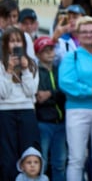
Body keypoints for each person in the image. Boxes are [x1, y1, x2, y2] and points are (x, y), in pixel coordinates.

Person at [58, 16, 92, 181]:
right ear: (78, 34)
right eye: (84, 32)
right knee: (76, 158)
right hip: (77, 110)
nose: (88, 35)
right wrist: (90, 91)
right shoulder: (71, 57)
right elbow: (66, 83)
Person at [0, 26, 40, 181]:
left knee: (30, 153)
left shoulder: (31, 64)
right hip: (4, 112)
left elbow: (31, 91)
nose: (16, 45)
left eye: (19, 41)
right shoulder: (1, 65)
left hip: (27, 111)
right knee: (7, 157)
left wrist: (24, 70)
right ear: (5, 44)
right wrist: (9, 71)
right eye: (11, 41)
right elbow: (3, 93)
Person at [34, 36, 66, 181]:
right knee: (42, 161)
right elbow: (38, 98)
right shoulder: (35, 72)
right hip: (43, 122)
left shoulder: (60, 69)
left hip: (61, 122)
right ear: (38, 54)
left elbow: (64, 91)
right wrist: (52, 95)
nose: (49, 53)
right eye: (44, 50)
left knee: (60, 162)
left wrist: (50, 94)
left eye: (51, 49)